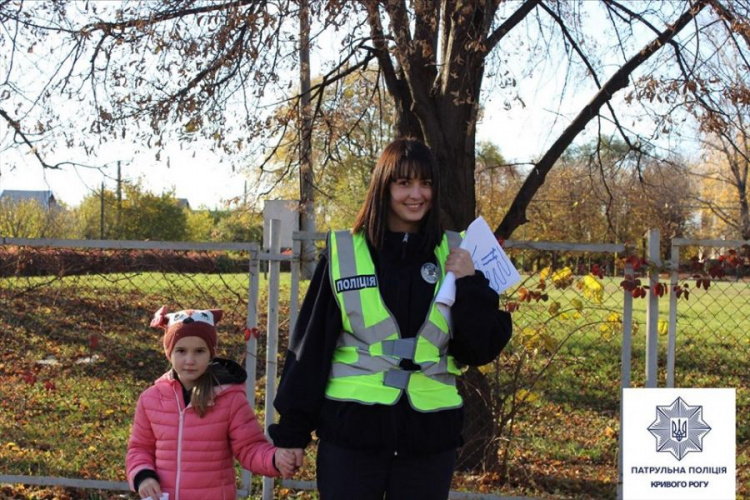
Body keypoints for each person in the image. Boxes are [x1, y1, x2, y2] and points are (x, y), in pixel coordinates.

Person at [269, 138, 513, 499]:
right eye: (404, 183)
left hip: (428, 441)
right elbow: (310, 349)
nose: (416, 194)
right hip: (351, 435)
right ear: (384, 186)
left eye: (425, 183)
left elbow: (479, 348)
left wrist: (471, 282)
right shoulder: (344, 253)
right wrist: (292, 434)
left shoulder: (459, 250)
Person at [126, 306, 298, 500]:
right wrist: (143, 476)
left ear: (211, 353)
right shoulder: (151, 399)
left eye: (199, 351)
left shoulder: (230, 399)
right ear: (169, 352)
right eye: (181, 350)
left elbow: (249, 447)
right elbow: (140, 448)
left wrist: (275, 459)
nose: (190, 360)